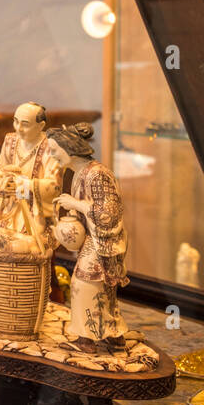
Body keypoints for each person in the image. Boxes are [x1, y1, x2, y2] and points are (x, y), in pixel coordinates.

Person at [48, 122, 129, 352]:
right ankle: (114, 335)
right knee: (99, 286)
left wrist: (77, 205)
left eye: (55, 150)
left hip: (106, 240)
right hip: (94, 238)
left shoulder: (97, 174)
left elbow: (109, 212)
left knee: (84, 282)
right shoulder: (78, 175)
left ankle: (87, 339)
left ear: (69, 148)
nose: (53, 156)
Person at [0, 101, 63, 248]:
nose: (19, 129)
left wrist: (27, 185)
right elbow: (0, 170)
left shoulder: (50, 147)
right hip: (9, 209)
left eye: (25, 124)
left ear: (41, 126)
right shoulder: (10, 141)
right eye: (15, 122)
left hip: (35, 213)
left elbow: (54, 186)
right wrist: (2, 183)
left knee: (29, 245)